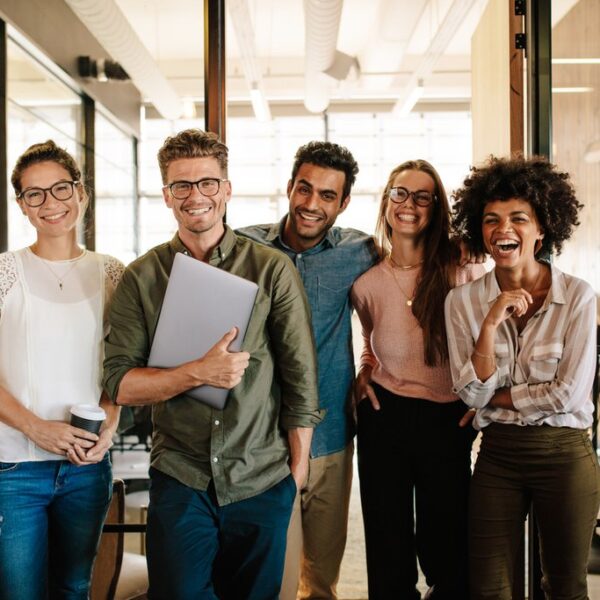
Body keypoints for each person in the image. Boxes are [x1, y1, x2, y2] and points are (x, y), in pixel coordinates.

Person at [102, 128, 322, 600]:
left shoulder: (270, 269)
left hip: (261, 476)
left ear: (226, 188)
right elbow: (119, 382)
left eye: (206, 182)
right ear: (166, 195)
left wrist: (294, 478)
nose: (195, 195)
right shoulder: (142, 277)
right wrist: (197, 373)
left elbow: (301, 381)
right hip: (182, 476)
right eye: (181, 185)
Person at [445, 155, 600, 599]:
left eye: (518, 218)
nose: (502, 229)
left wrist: (497, 397)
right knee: (490, 587)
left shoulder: (578, 297)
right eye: (491, 220)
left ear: (542, 228)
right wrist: (490, 322)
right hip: (498, 456)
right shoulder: (463, 302)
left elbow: (568, 395)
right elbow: (473, 394)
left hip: (565, 454)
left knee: (566, 586)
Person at [238, 141, 378, 600]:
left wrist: (372, 362)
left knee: (319, 579)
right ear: (290, 187)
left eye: (327, 195)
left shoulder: (361, 251)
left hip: (331, 434)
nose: (312, 204)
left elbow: (404, 294)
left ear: (344, 202)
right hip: (261, 440)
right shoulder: (243, 248)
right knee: (266, 576)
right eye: (305, 189)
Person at [351, 159, 484, 599]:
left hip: (448, 417)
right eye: (400, 193)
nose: (409, 204)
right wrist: (364, 370)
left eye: (422, 196)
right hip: (384, 414)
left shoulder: (462, 267)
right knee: (387, 541)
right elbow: (372, 339)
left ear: (436, 207)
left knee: (447, 542)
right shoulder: (366, 283)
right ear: (387, 201)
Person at [0, 140, 123, 600]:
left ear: (81, 193)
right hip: (14, 468)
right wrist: (36, 428)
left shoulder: (112, 272)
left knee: (74, 588)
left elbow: (122, 365)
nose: (50, 203)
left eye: (60, 189)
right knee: (18, 591)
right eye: (35, 194)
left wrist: (110, 421)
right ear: (22, 206)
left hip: (86, 468)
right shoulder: (4, 273)